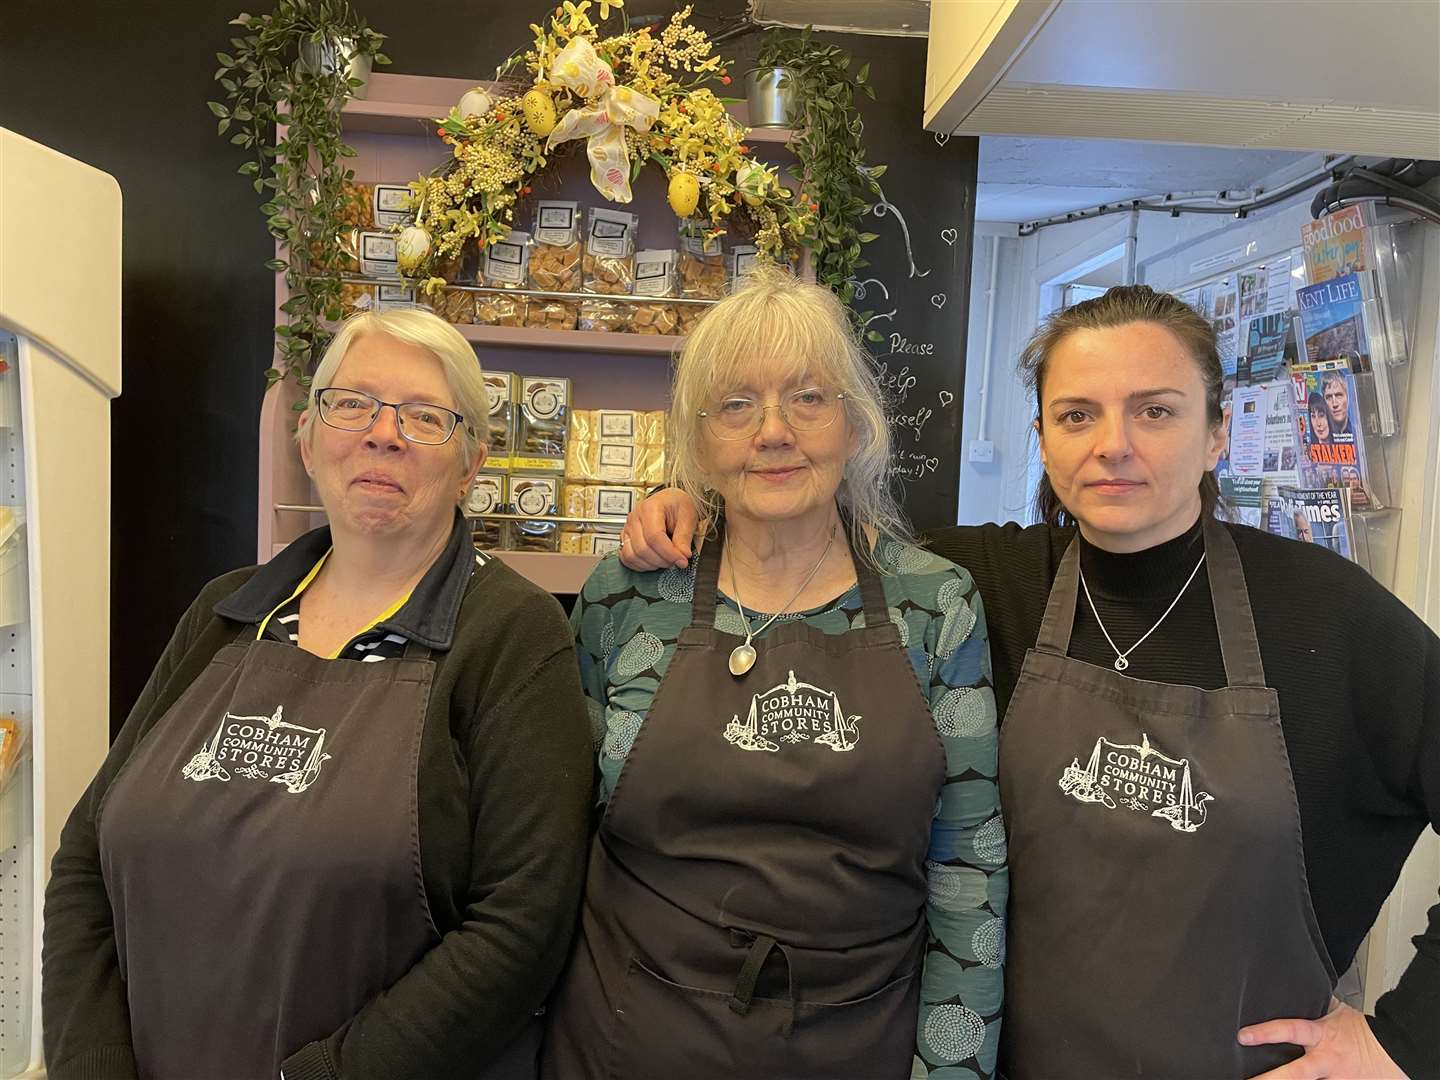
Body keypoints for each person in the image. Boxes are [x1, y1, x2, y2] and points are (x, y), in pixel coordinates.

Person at [620, 285, 1439, 1080]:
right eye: (1078, 414)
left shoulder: (1326, 618)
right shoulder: (975, 585)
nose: (1113, 443)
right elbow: (796, 525)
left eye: (1156, 410)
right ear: (1044, 438)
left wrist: (1407, 1041)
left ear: (1219, 433)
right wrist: (689, 508)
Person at [42, 308, 593, 1080]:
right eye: (352, 402)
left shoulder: (511, 635)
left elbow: (522, 927)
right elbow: (82, 859)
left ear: (472, 464)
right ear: (307, 437)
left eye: (424, 417)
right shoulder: (223, 611)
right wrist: (93, 1063)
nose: (382, 433)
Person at [542, 267, 1005, 1079]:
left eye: (808, 398)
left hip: (860, 1041)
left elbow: (969, 864)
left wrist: (952, 1070)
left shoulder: (935, 605)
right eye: (735, 405)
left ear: (855, 426)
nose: (773, 431)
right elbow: (554, 834)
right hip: (627, 1037)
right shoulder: (630, 593)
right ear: (698, 442)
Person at [1323, 372, 1354, 438]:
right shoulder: (1321, 436)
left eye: (1338, 395)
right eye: (1329, 397)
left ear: (1348, 397)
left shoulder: (1357, 431)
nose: (1335, 404)